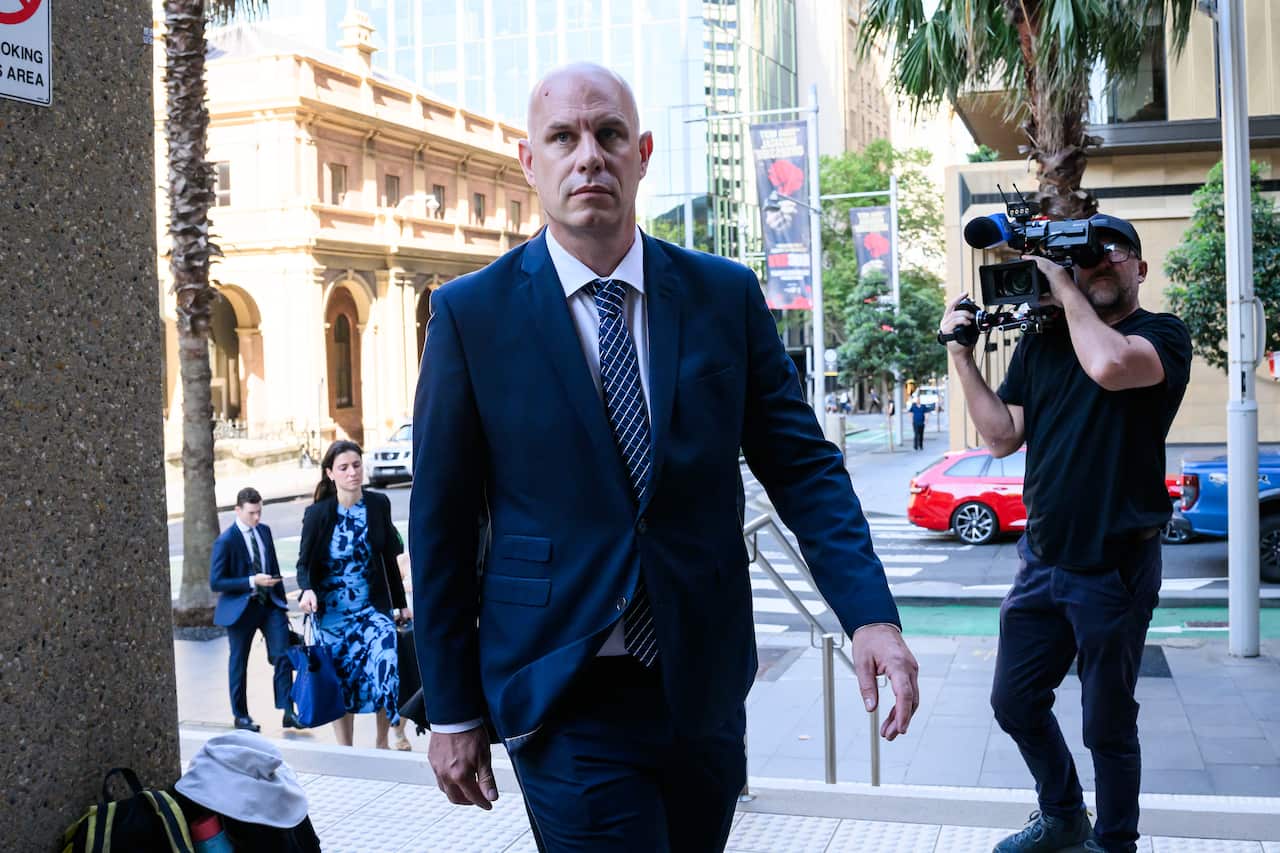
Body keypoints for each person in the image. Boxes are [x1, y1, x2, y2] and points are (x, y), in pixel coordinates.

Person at [409, 63, 918, 853]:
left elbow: (803, 467)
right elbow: (439, 524)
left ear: (642, 153)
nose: (589, 155)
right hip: (561, 686)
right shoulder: (471, 315)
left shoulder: (724, 296)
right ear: (530, 162)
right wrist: (452, 708)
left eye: (609, 134)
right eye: (563, 138)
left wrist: (869, 613)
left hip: (701, 681)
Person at [938, 214, 1191, 853]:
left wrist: (1061, 282)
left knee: (1107, 722)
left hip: (1114, 566)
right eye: (1086, 255)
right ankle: (1062, 817)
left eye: (1114, 252)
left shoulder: (1160, 335)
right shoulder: (1043, 344)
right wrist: (961, 355)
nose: (1098, 262)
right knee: (1014, 701)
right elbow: (1001, 436)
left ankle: (1115, 843)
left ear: (1141, 268)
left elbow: (1108, 366)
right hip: (1041, 561)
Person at [297, 440, 412, 749]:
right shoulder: (318, 514)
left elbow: (389, 558)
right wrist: (307, 589)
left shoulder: (378, 504)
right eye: (344, 468)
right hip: (332, 615)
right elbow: (304, 562)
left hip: (371, 610)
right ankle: (345, 748)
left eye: (357, 465)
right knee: (341, 681)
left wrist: (400, 605)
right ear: (330, 473)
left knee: (386, 664)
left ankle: (382, 742)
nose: (352, 472)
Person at [210, 487, 297, 732]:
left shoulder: (264, 531)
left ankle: (288, 711)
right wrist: (251, 581)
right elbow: (216, 582)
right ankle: (241, 716)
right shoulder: (226, 541)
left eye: (259, 512)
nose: (256, 517)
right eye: (251, 513)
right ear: (237, 510)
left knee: (284, 655)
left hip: (270, 606)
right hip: (241, 610)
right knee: (239, 663)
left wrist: (282, 603)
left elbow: (273, 566)